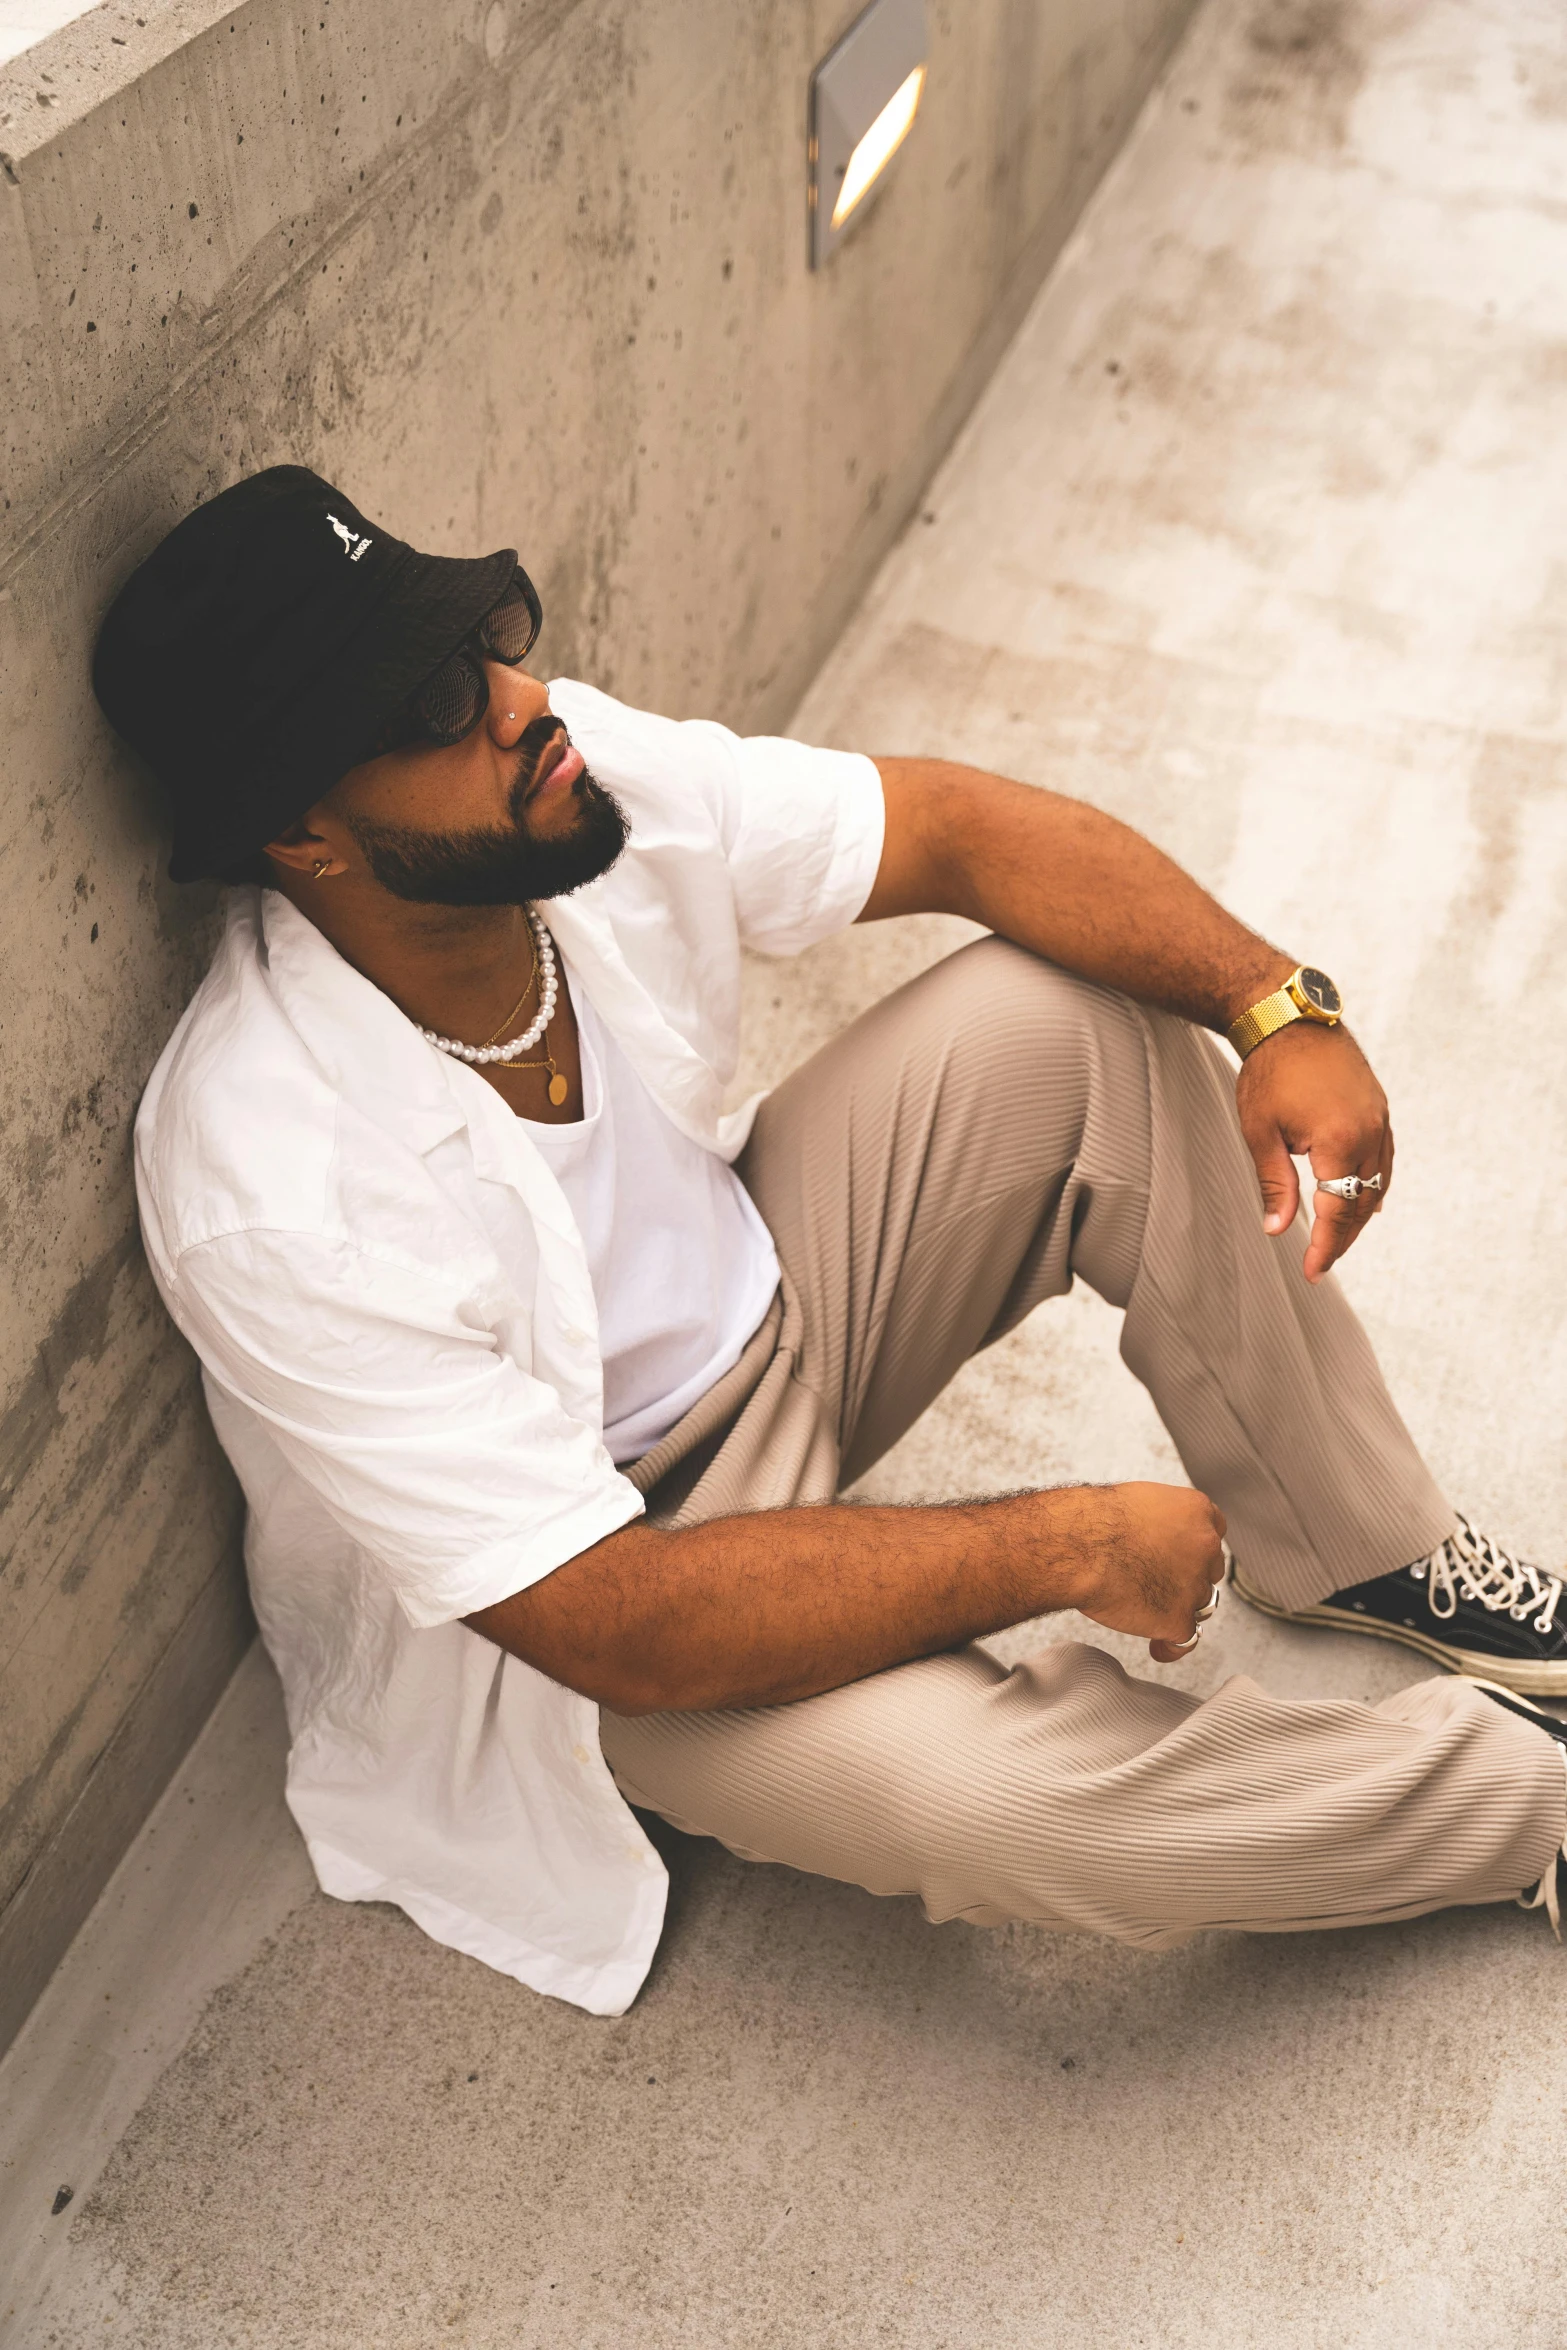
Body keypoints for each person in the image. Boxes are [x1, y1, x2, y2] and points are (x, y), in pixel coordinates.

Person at [94, 465, 1567, 2017]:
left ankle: (1360, 1545)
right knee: (1010, 1810)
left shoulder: (564, 777)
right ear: (303, 834)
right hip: (607, 1602)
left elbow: (949, 827)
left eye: (492, 639)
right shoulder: (264, 1175)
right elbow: (620, 1625)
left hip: (790, 1289)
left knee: (1071, 1020)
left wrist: (1276, 1002)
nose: (521, 701)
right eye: (438, 698)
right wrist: (1065, 1540)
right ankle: (1528, 1806)